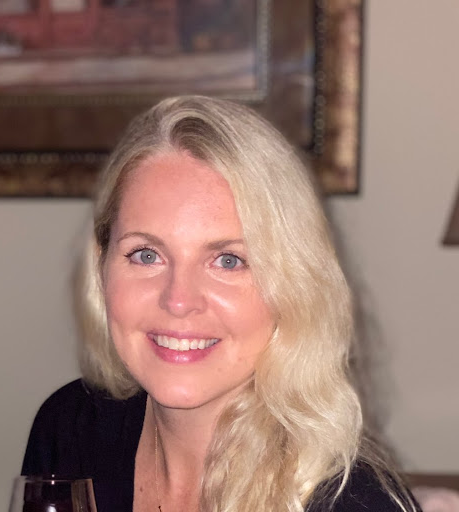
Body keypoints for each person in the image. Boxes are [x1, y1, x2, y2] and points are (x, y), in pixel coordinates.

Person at [22, 96, 421, 512]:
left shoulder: (354, 503)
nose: (178, 301)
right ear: (101, 265)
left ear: (294, 285)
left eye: (228, 260)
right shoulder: (70, 430)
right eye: (146, 254)